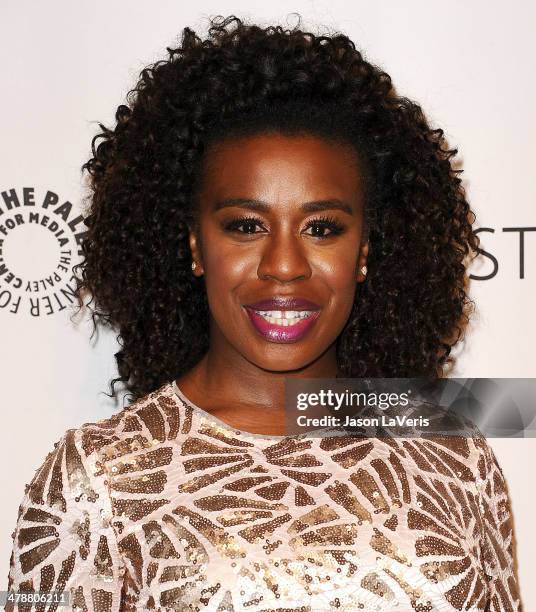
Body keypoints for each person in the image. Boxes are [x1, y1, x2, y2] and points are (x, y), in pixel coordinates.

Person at [6, 15, 521, 611]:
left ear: (366, 250)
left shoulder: (451, 454)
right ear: (196, 244)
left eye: (322, 228)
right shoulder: (95, 480)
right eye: (246, 226)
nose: (284, 265)